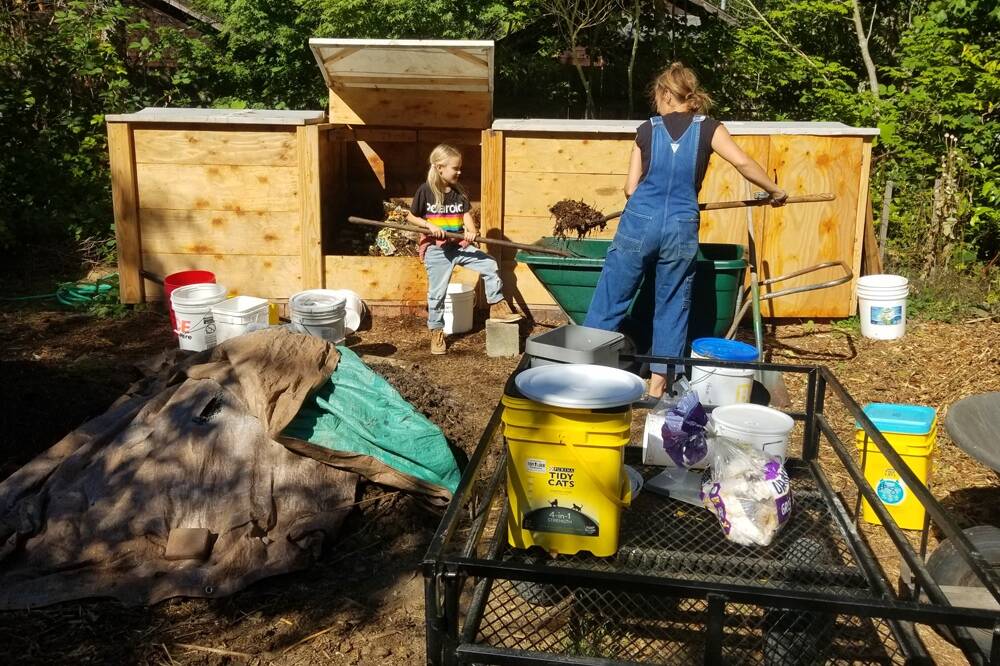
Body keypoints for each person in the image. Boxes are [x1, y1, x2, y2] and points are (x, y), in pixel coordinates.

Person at [584, 62, 787, 398]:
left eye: (657, 96)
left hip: (639, 222)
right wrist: (775, 191)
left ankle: (585, 375)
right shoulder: (710, 128)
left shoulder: (646, 130)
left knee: (610, 299)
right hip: (681, 225)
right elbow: (742, 162)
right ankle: (657, 388)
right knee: (672, 304)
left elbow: (630, 189)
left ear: (665, 94)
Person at [408, 143, 521, 355]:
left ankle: (497, 306)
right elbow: (411, 216)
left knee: (489, 264)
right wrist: (429, 226)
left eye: (460, 168)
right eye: (455, 168)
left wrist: (471, 232)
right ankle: (437, 331)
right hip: (437, 250)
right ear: (440, 168)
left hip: (458, 246)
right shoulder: (426, 191)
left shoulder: (459, 192)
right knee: (437, 293)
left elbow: (466, 216)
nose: (459, 172)